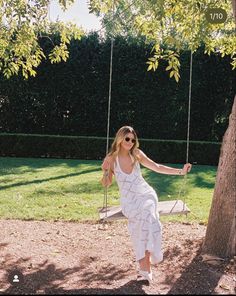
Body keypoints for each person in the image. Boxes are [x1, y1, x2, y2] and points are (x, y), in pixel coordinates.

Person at [100, 126, 192, 283]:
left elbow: (156, 167)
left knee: (147, 214)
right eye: (127, 139)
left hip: (146, 194)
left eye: (133, 139)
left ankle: (145, 268)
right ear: (120, 139)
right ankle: (147, 261)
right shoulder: (111, 159)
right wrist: (106, 171)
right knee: (141, 220)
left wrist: (180, 172)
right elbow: (106, 184)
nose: (130, 142)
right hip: (128, 199)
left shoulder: (136, 154)